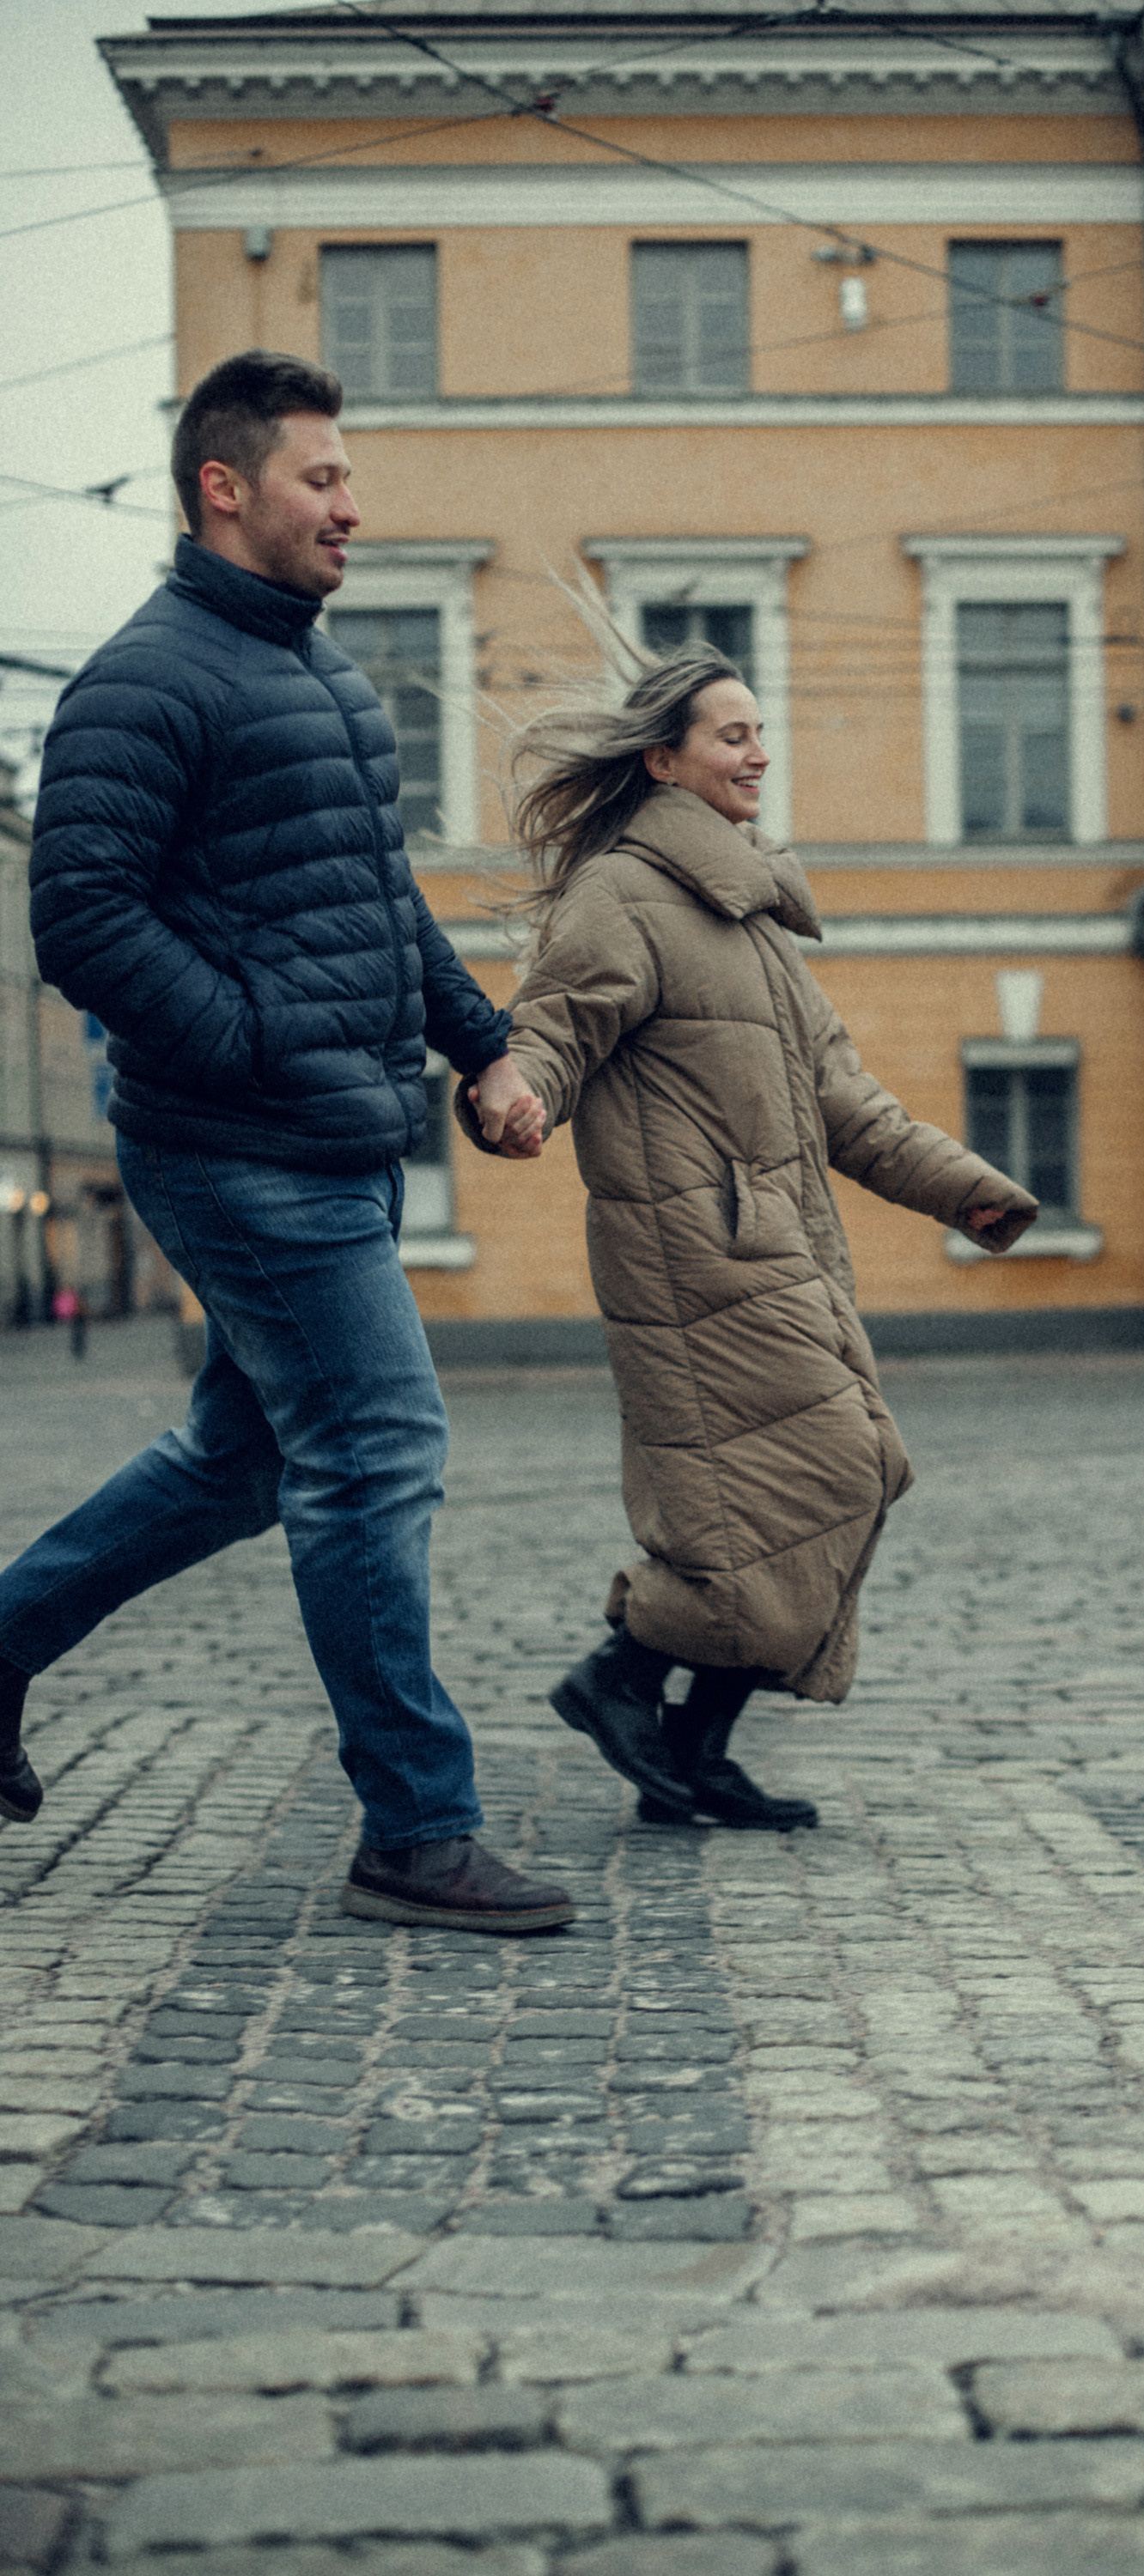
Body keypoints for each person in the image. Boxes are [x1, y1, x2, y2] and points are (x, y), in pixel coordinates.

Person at [0, 349, 573, 1936]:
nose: (353, 507)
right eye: (323, 478)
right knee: (379, 1449)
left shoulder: (315, 675)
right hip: (241, 1144)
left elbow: (377, 905)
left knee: (238, 1461)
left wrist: (482, 1043)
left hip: (334, 1132)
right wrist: (255, 1040)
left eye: (348, 478)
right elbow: (84, 921)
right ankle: (415, 1822)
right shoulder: (146, 678)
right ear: (224, 489)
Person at [464, 634, 1038, 1830]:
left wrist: (969, 1190)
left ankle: (689, 1739)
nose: (759, 755)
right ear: (665, 761)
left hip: (768, 1249)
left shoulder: (752, 925)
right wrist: (515, 1095)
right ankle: (619, 1680)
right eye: (733, 735)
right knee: (824, 1475)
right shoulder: (622, 894)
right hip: (693, 1258)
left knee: (825, 1483)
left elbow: (848, 1102)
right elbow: (556, 1028)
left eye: (760, 733)